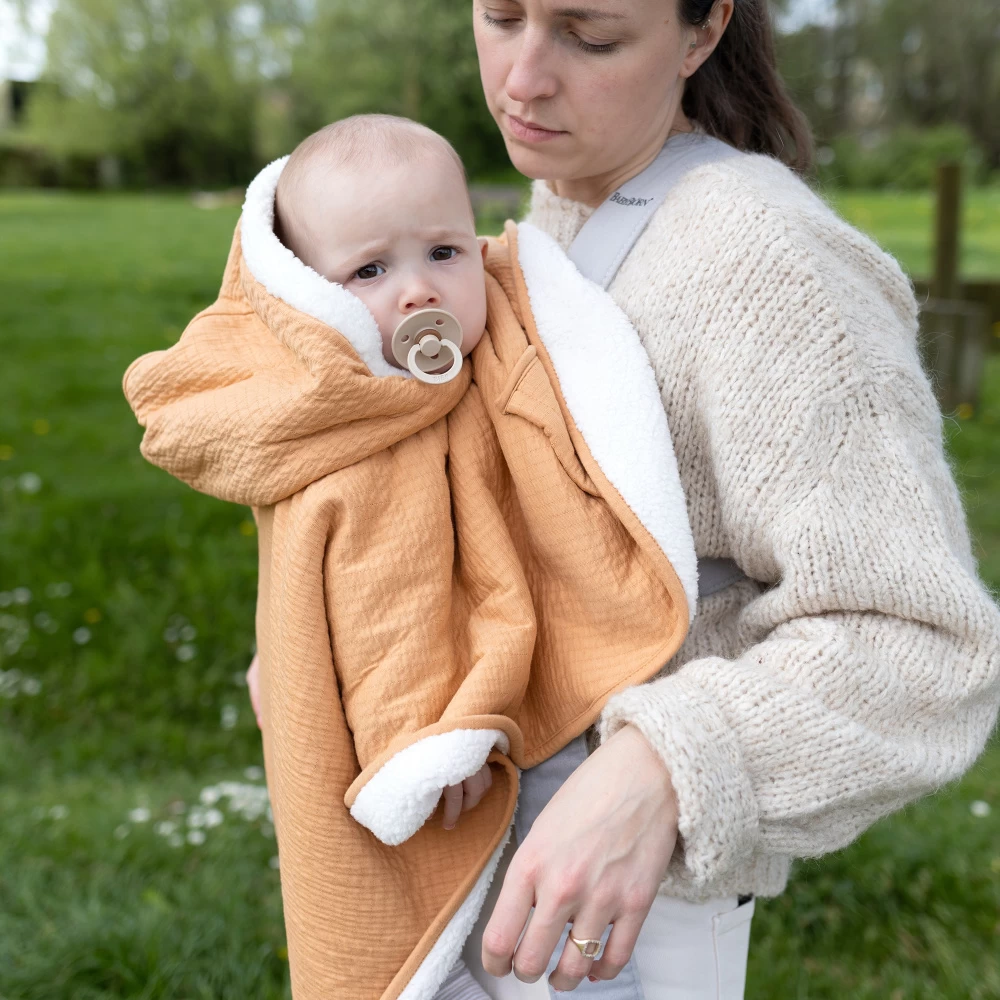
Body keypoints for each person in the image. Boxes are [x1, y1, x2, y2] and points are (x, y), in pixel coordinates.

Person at [238, 1, 1000, 997]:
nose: (521, 79)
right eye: (500, 17)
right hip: (456, 860)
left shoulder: (765, 263)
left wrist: (664, 767)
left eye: (588, 36)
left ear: (702, 30)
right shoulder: (548, 214)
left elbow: (922, 642)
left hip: (602, 920)